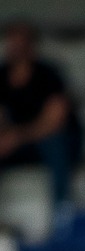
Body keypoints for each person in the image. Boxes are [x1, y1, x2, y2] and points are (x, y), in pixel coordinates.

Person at [0, 22, 80, 219]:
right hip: (18, 142)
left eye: (21, 42)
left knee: (54, 144)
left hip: (51, 138)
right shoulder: (2, 75)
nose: (16, 47)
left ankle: (62, 208)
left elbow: (54, 120)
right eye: (12, 42)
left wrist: (18, 136)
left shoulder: (48, 75)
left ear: (31, 45)